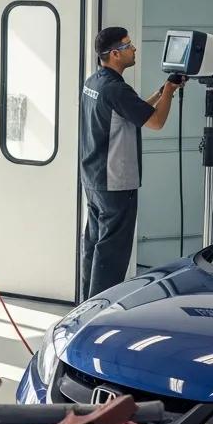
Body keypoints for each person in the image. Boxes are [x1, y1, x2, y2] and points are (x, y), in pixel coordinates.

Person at [80, 26, 183, 301]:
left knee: (94, 247)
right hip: (116, 182)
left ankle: (85, 306)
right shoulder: (116, 89)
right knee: (112, 254)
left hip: (93, 179)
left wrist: (160, 93)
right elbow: (156, 122)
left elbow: (134, 111)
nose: (134, 49)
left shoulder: (94, 82)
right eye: (128, 46)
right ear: (115, 54)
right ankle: (100, 312)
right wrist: (170, 93)